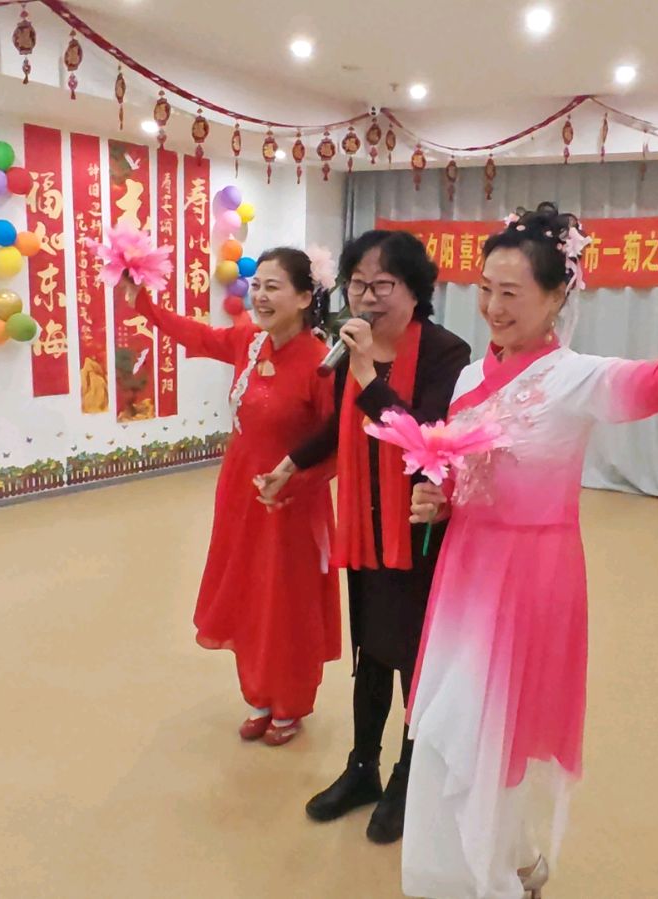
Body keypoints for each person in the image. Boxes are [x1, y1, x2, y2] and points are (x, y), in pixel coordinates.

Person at [402, 197, 658, 899]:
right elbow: (464, 476)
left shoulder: (574, 378)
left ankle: (492, 875)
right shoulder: (466, 378)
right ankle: (484, 865)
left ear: (558, 296)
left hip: (530, 576)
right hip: (464, 572)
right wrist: (440, 496)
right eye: (485, 289)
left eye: (511, 293)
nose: (493, 307)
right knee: (452, 731)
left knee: (494, 734)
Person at [256, 230, 472, 844]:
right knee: (371, 651)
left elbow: (421, 433)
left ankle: (408, 775)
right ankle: (362, 768)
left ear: (415, 290)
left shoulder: (446, 352)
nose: (368, 298)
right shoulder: (349, 348)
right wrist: (291, 464)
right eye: (358, 285)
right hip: (365, 525)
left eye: (383, 285)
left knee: (412, 657)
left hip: (419, 530)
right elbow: (339, 427)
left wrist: (367, 371)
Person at [135, 247, 340, 746]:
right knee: (250, 595)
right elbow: (197, 335)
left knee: (285, 603)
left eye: (273, 286)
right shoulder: (249, 341)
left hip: (291, 503)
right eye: (257, 285)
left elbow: (338, 445)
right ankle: (260, 696)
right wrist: (143, 302)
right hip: (240, 494)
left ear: (304, 297)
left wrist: (293, 484)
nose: (260, 296)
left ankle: (290, 702)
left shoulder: (320, 363)